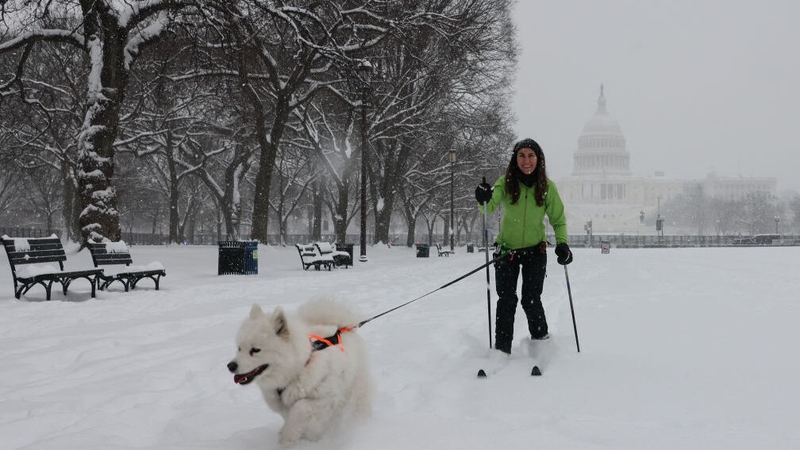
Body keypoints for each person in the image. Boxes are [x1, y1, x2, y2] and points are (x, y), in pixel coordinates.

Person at [475, 138, 573, 355]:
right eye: (522, 155)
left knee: (531, 299)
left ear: (538, 159)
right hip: (506, 251)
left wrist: (563, 244)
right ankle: (501, 350)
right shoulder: (505, 182)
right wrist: (482, 196)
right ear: (515, 158)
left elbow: (558, 219)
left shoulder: (547, 187)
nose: (526, 161)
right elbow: (488, 207)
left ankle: (541, 343)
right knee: (507, 300)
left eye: (531, 156)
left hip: (534, 251)